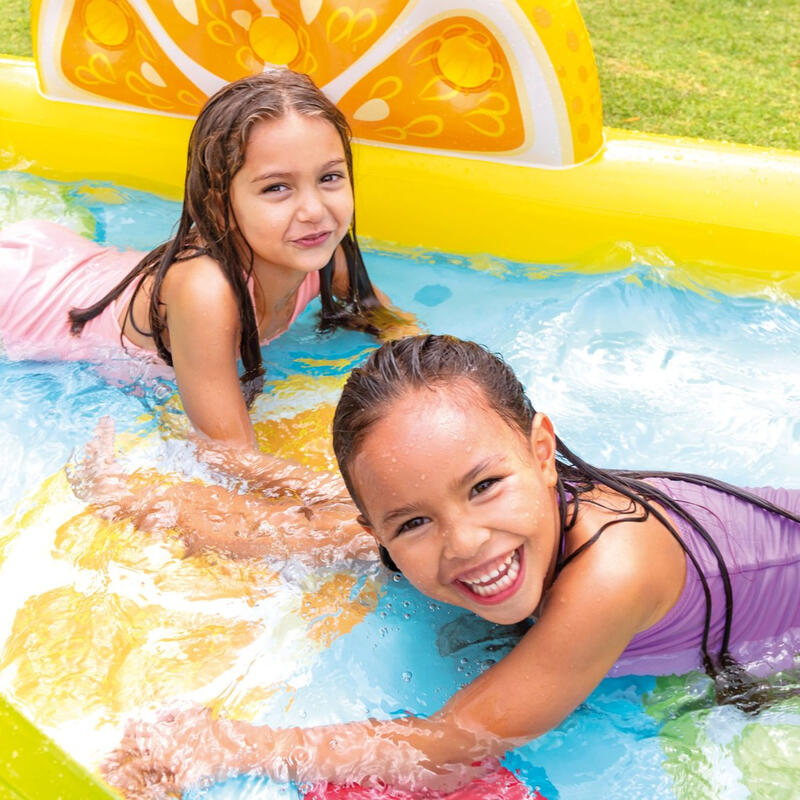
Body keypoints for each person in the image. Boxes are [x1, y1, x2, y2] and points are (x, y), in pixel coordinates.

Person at [101, 334, 800, 798]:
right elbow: (312, 530)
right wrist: (141, 504)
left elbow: (451, 747)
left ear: (541, 449)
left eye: (483, 485)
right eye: (411, 521)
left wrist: (225, 745)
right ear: (379, 525)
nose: (464, 543)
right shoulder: (464, 522)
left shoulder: (615, 572)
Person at [0, 70, 416, 464]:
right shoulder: (205, 292)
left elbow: (397, 328)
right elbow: (229, 454)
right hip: (22, 299)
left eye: (329, 178)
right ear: (220, 203)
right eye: (277, 187)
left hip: (76, 264)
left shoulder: (325, 254)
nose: (314, 210)